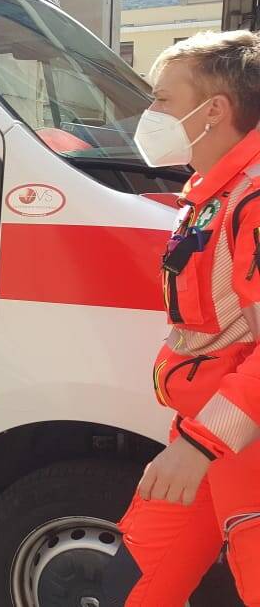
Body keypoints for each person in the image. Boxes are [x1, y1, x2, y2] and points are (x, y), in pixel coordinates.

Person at [108, 31, 260, 606]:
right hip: (206, 440)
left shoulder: (254, 198)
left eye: (161, 100)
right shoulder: (211, 192)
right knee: (133, 589)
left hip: (238, 449)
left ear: (214, 110)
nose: (150, 114)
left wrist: (199, 446)